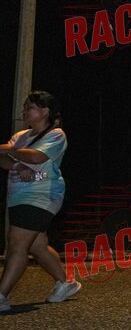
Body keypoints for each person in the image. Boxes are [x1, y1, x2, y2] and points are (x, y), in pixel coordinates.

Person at [0, 91, 80, 311]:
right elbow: (3, 160)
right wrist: (18, 164)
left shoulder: (56, 134)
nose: (24, 111)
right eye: (24, 107)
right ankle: (65, 283)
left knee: (17, 243)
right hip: (18, 196)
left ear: (45, 111)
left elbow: (36, 156)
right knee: (37, 246)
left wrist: (12, 152)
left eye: (30, 107)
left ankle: (1, 296)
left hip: (41, 195)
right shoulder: (21, 136)